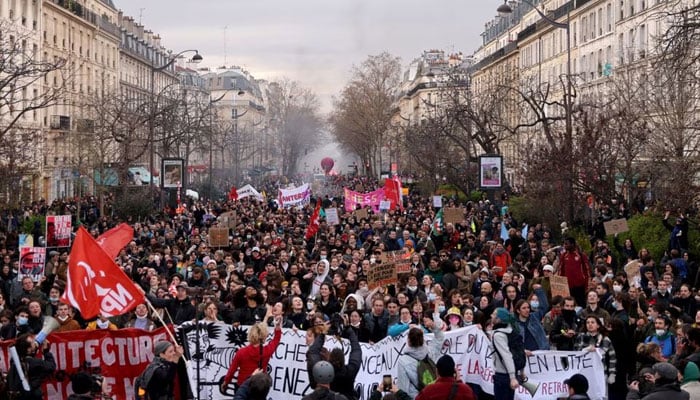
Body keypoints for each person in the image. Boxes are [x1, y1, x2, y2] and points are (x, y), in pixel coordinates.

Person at [221, 317, 282, 391]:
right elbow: (276, 340)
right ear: (264, 336)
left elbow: (232, 370)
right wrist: (277, 327)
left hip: (242, 386)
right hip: (259, 387)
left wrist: (226, 382)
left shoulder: (241, 352)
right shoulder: (267, 351)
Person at [396, 308, 444, 398]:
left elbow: (404, 387)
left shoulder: (403, 361)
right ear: (423, 339)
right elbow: (440, 338)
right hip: (434, 395)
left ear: (408, 340)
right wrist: (433, 326)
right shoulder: (430, 352)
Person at [7, 333, 57, 400]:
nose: (36, 343)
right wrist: (46, 352)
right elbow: (51, 366)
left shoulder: (14, 361)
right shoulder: (35, 363)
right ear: (28, 350)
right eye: (33, 343)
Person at [490, 308, 520, 400]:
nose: (491, 315)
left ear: (499, 319)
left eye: (494, 314)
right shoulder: (511, 332)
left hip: (503, 376)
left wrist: (512, 377)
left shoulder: (498, 335)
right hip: (511, 375)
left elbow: (507, 355)